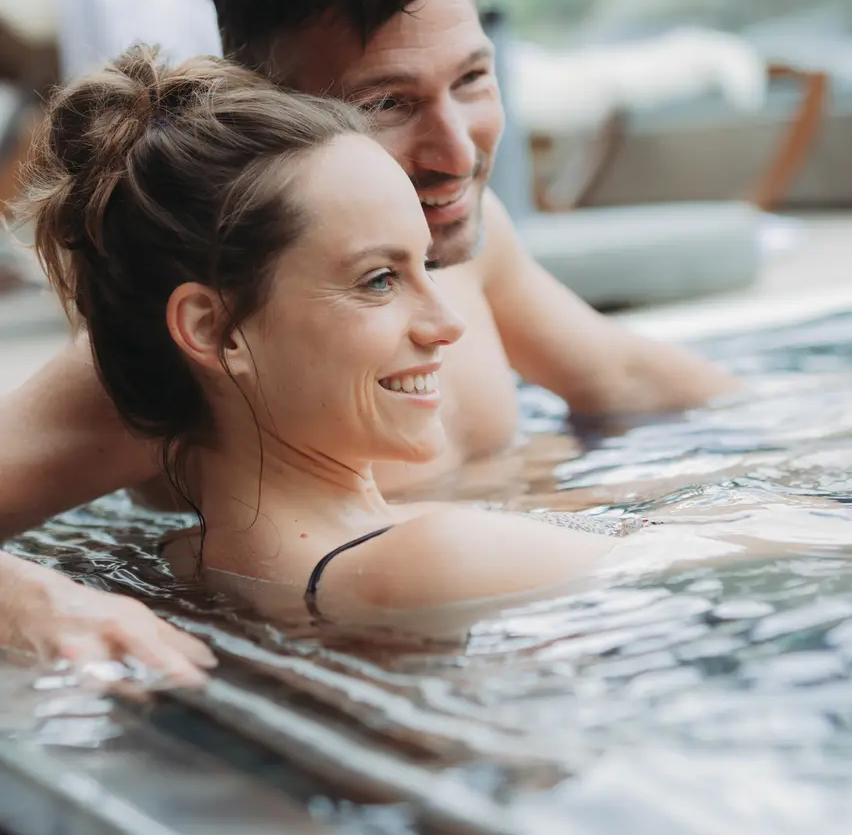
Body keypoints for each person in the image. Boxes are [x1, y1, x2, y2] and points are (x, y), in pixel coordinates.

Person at [0, 0, 736, 672]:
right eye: (387, 104)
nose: (457, 154)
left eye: (472, 79)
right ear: (276, 117)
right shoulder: (173, 359)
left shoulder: (469, 248)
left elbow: (627, 376)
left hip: (511, 614)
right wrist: (37, 600)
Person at [19, 48, 790, 634]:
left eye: (426, 264)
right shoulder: (437, 556)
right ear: (213, 329)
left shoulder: (172, 568)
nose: (445, 323)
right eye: (379, 281)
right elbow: (789, 554)